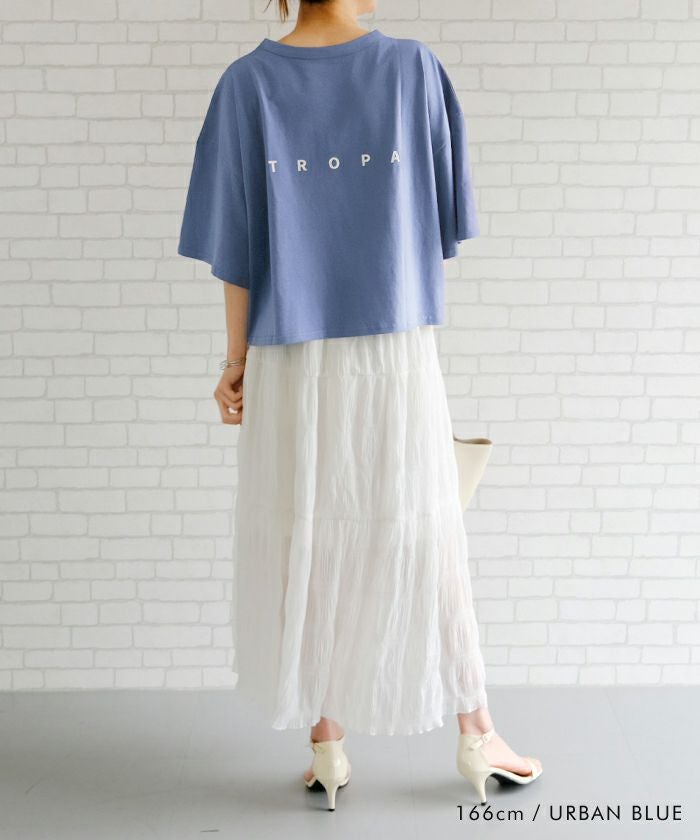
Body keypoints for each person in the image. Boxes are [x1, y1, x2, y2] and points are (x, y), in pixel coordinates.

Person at [177, 0, 542, 811]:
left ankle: (328, 745)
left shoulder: (246, 84)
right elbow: (443, 225)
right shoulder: (412, 69)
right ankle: (477, 732)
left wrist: (235, 362)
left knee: (308, 533)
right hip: (394, 350)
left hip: (288, 353)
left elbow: (236, 248)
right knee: (427, 529)